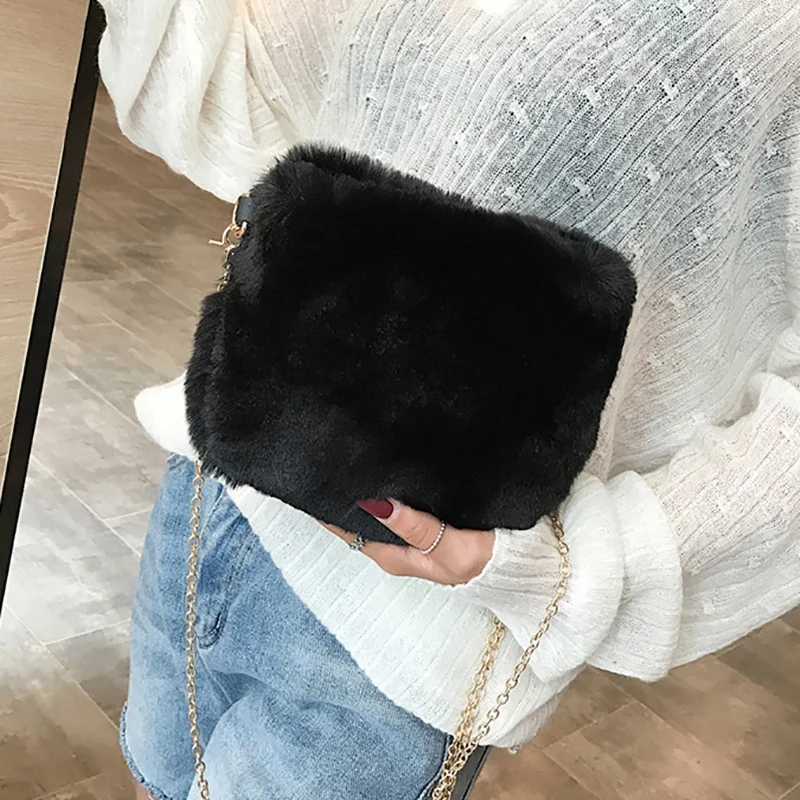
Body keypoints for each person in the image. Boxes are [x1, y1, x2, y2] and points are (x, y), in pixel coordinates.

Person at [97, 2, 800, 799]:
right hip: (217, 497)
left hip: (414, 634)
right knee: (153, 778)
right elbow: (230, 88)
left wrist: (589, 568)